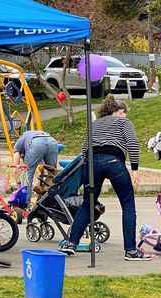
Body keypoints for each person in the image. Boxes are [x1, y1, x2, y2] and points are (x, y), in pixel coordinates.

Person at [62, 95, 151, 261]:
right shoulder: (123, 122)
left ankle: (70, 244)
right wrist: (135, 170)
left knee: (87, 204)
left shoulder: (94, 124)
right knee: (128, 204)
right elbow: (132, 143)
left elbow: (84, 150)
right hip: (113, 161)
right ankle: (131, 251)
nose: (125, 117)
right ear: (119, 111)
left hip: (91, 163)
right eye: (125, 113)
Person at [11, 128, 58, 196]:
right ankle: (54, 199)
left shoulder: (19, 141)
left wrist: (15, 173)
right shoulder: (30, 136)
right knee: (53, 173)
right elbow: (42, 168)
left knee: (28, 173)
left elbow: (16, 163)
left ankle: (25, 202)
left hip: (36, 142)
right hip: (52, 141)